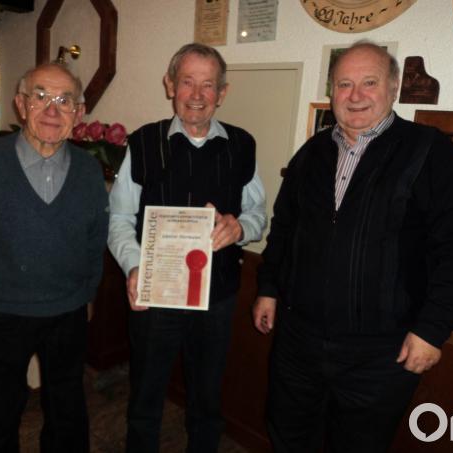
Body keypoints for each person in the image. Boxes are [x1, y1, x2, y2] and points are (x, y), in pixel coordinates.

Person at [252, 41, 453, 452]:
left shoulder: (430, 151)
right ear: (332, 92)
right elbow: (285, 228)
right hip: (299, 340)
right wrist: (269, 287)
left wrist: (432, 329)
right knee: (288, 434)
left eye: (369, 82)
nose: (355, 95)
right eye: (344, 84)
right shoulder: (312, 153)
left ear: (393, 87)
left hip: (381, 353)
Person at [107, 42, 267, 453]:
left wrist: (240, 228)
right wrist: (134, 267)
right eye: (187, 82)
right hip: (154, 294)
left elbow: (257, 214)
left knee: (207, 399)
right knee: (145, 400)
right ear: (170, 85)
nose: (197, 94)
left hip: (218, 297)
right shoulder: (143, 142)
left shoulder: (242, 145)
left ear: (222, 92)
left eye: (208, 84)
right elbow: (119, 217)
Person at [0, 63, 108, 452]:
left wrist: (88, 294)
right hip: (1, 312)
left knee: (67, 411)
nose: (52, 109)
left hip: (67, 312)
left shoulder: (89, 169)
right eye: (41, 96)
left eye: (64, 100)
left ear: (78, 112)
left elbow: (95, 239)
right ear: (21, 104)